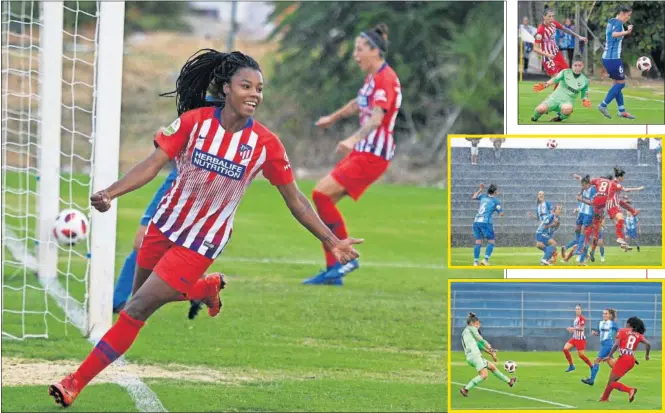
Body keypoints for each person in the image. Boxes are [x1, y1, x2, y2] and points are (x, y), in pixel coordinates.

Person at [47, 49, 363, 408]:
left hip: (202, 241)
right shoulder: (193, 122)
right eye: (246, 85)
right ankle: (204, 288)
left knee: (135, 309)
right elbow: (152, 165)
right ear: (226, 88)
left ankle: (74, 382)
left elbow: (296, 201)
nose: (255, 94)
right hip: (164, 226)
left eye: (260, 88)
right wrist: (110, 193)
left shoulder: (266, 145)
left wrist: (332, 241)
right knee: (137, 307)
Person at [302, 23, 401, 285]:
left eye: (359, 50)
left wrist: (352, 138)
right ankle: (335, 269)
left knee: (321, 195)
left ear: (375, 51)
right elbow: (358, 104)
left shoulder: (385, 79)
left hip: (372, 155)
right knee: (322, 199)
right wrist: (332, 118)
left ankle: (345, 259)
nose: (355, 55)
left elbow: (378, 118)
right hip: (365, 152)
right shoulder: (373, 78)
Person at [459, 312, 516, 397]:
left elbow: (479, 345)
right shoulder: (471, 328)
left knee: (492, 367)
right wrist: (490, 347)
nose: (478, 327)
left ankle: (509, 381)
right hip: (475, 356)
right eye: (477, 324)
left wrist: (491, 353)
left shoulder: (466, 333)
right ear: (472, 323)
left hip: (471, 357)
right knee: (484, 375)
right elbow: (480, 339)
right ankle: (465, 389)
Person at [599, 316, 651, 403]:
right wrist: (647, 355)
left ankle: (630, 390)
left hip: (624, 359)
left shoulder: (622, 331)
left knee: (612, 382)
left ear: (629, 324)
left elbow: (616, 345)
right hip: (631, 360)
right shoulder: (638, 335)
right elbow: (648, 344)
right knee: (613, 380)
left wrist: (609, 355)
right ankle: (604, 398)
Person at [598, 4, 636, 120]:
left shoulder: (612, 20)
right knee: (621, 83)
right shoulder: (619, 23)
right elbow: (614, 35)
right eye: (628, 15)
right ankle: (603, 105)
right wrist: (627, 32)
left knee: (617, 84)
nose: (628, 18)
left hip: (608, 58)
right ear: (623, 13)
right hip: (613, 59)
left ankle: (622, 110)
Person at [531, 55, 590, 122]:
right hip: (554, 99)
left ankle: (559, 118)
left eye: (579, 65)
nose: (577, 67)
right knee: (540, 109)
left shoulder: (585, 80)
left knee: (568, 109)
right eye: (575, 65)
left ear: (583, 66)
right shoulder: (565, 72)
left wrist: (585, 100)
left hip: (567, 102)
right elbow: (555, 79)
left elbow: (584, 93)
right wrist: (545, 85)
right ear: (572, 65)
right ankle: (534, 118)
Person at [533, 8, 587, 81]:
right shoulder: (540, 30)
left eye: (553, 16)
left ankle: (558, 92)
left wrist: (579, 36)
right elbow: (535, 48)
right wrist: (547, 54)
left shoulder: (554, 23)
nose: (551, 18)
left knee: (567, 74)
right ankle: (556, 91)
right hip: (548, 57)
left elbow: (566, 29)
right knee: (557, 77)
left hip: (556, 53)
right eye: (549, 16)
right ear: (544, 17)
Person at [562, 175, 595, 262]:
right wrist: (579, 177)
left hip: (588, 213)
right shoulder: (584, 187)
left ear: (588, 184)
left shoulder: (593, 190)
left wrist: (581, 199)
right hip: (581, 212)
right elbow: (583, 181)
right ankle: (578, 245)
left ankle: (579, 249)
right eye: (582, 185)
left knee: (583, 230)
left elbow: (592, 203)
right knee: (577, 229)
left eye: (583, 185)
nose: (582, 187)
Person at [582, 308, 619, 386]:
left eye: (606, 313)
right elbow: (600, 333)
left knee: (596, 360)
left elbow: (619, 332)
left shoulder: (612, 323)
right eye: (603, 313)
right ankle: (621, 371)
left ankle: (591, 380)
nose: (604, 315)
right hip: (603, 344)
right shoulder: (601, 323)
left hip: (608, 344)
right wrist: (595, 333)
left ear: (610, 315)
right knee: (611, 363)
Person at [471, 183, 503, 266]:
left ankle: (475, 262)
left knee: (478, 241)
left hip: (476, 221)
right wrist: (500, 211)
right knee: (491, 241)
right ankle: (485, 260)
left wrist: (480, 190)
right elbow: (501, 214)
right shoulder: (496, 201)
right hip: (486, 222)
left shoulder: (483, 196)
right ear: (495, 192)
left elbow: (474, 197)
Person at [563, 304, 593, 373]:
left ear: (581, 310)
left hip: (580, 339)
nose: (577, 310)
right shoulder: (576, 318)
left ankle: (591, 366)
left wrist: (572, 328)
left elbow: (582, 328)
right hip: (574, 338)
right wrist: (572, 330)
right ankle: (571, 365)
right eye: (576, 309)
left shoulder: (582, 318)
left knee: (581, 355)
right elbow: (576, 329)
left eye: (579, 309)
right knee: (565, 349)